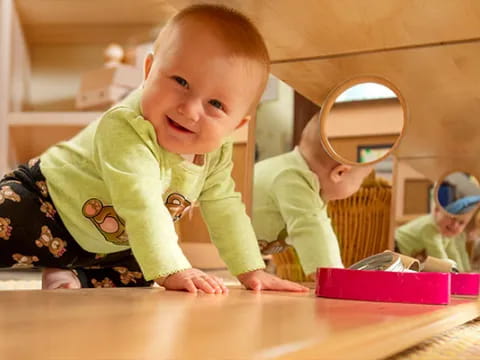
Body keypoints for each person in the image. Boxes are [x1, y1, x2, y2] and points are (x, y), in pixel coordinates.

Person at [0, 4, 308, 293]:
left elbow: (225, 209)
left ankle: (72, 276)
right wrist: (173, 269)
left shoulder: (215, 154)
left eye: (215, 104)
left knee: (142, 270)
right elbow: (141, 201)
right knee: (7, 218)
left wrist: (250, 270)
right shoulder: (127, 126)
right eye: (180, 81)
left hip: (104, 246)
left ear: (236, 126)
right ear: (148, 72)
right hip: (45, 205)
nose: (189, 109)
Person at [252, 112, 373, 279]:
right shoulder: (293, 178)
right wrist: (337, 278)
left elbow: (320, 227)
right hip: (216, 248)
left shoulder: (300, 176)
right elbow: (311, 229)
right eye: (362, 178)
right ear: (340, 173)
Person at [395, 205, 474, 272]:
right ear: (437, 211)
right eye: (452, 218)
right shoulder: (430, 227)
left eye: (461, 223)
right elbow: (439, 257)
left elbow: (453, 254)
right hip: (395, 246)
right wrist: (455, 275)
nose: (455, 225)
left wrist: (463, 273)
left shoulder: (447, 233)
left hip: (408, 254)